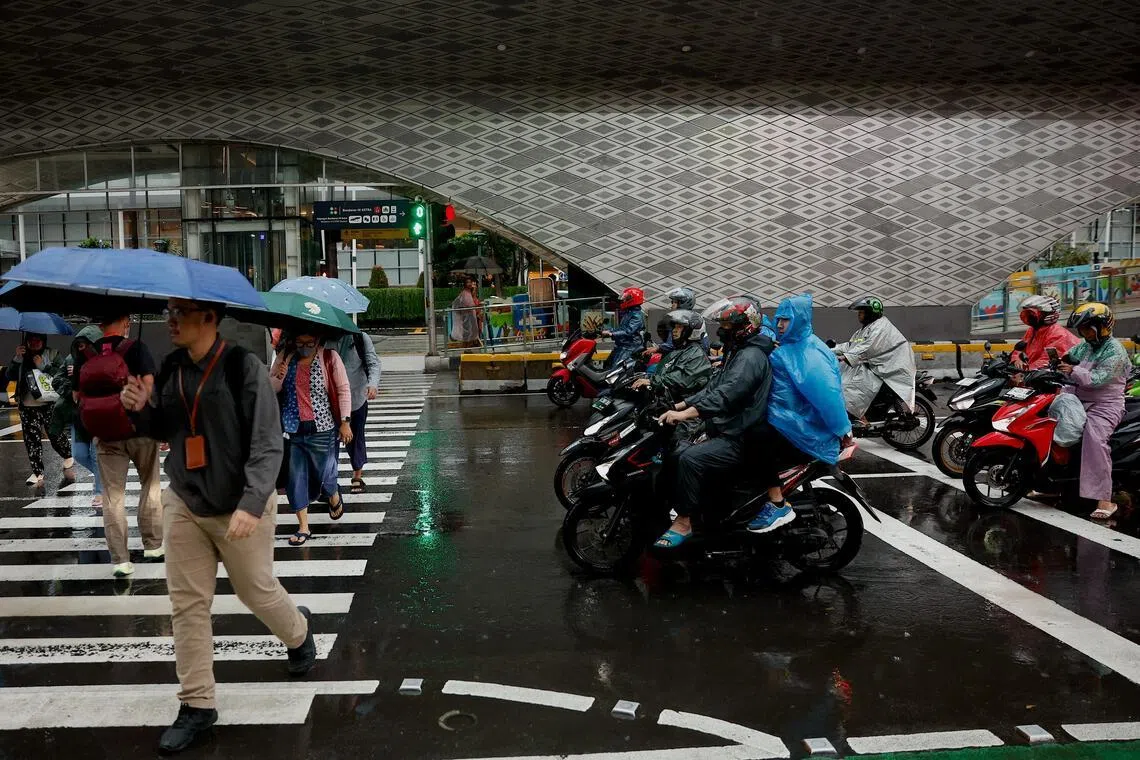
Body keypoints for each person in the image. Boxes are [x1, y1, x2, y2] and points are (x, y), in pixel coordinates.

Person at [120, 298, 315, 753]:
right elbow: (164, 429)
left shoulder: (242, 368)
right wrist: (140, 407)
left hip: (240, 505)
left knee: (256, 590)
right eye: (168, 312)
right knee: (187, 606)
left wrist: (252, 502)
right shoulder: (170, 368)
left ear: (209, 318)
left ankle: (299, 634)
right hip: (186, 500)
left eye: (180, 314)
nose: (171, 321)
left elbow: (268, 443)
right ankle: (198, 706)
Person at [654, 295, 775, 547]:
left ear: (745, 326)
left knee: (690, 459)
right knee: (679, 451)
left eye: (728, 326)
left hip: (740, 435)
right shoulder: (737, 352)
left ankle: (685, 523)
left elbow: (725, 395)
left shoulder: (750, 357)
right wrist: (679, 406)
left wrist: (686, 414)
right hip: (727, 427)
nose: (722, 330)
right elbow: (714, 386)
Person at [748, 294, 853, 533]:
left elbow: (828, 398)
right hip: (787, 420)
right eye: (779, 319)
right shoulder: (791, 346)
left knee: (755, 438)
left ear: (800, 320)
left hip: (800, 428)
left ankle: (776, 503)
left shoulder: (807, 353)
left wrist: (842, 430)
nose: (781, 324)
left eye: (787, 320)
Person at [76, 314, 163, 578]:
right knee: (151, 485)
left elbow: (77, 396)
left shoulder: (87, 353)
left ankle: (120, 560)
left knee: (113, 497)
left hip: (106, 436)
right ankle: (152, 546)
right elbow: (149, 387)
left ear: (100, 325)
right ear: (126, 321)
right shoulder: (136, 347)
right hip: (141, 432)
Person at [269, 330, 353, 545]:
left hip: (323, 428)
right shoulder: (285, 357)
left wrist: (345, 422)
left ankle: (332, 493)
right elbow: (272, 389)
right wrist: (280, 373)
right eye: (299, 342)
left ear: (318, 341)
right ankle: (303, 527)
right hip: (293, 429)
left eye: (309, 342)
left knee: (324, 475)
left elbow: (343, 390)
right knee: (295, 477)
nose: (304, 346)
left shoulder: (329, 358)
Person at [1058, 302, 1130, 520]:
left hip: (1105, 405)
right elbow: (1067, 358)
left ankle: (1105, 500)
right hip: (1078, 399)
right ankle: (1050, 484)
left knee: (1094, 438)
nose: (1085, 333)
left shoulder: (1115, 351)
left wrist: (1073, 370)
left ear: (1103, 327)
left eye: (1089, 328)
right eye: (1083, 329)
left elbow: (1096, 380)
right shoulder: (1085, 346)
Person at [832, 296, 916, 423]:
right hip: (878, 365)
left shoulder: (880, 328)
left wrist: (845, 357)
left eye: (861, 312)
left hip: (891, 367)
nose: (859, 315)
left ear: (871, 313)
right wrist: (830, 350)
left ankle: (859, 417)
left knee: (850, 387)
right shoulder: (867, 328)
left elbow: (867, 348)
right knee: (843, 377)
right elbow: (852, 345)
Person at [9, 332, 75, 490]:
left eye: (38, 339)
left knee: (55, 434)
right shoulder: (21, 354)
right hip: (27, 404)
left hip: (49, 402)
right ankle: (37, 472)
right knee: (32, 439)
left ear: (44, 340)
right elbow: (10, 375)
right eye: (31, 339)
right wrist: (17, 359)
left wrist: (44, 366)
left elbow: (63, 375)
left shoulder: (53, 354)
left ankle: (67, 454)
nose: (35, 342)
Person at [51, 325, 104, 507]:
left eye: (86, 345)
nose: (82, 349)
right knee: (79, 455)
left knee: (96, 455)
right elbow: (56, 380)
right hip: (78, 415)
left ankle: (100, 491)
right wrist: (71, 387)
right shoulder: (70, 360)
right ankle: (105, 477)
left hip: (99, 414)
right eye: (79, 346)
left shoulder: (106, 359)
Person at [323, 331, 381, 493]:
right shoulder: (321, 338)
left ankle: (357, 475)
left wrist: (373, 384)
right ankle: (329, 480)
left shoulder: (359, 338)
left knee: (355, 437)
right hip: (329, 400)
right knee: (328, 440)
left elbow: (373, 363)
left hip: (356, 397)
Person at [1012, 295, 1079, 371]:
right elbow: (1020, 348)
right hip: (1033, 372)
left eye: (1033, 314)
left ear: (1047, 314)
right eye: (1028, 314)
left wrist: (1026, 371)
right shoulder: (1033, 330)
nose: (1030, 317)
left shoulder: (1057, 334)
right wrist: (1016, 359)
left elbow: (1047, 361)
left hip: (1050, 375)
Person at [602, 287, 647, 367]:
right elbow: (622, 328)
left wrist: (611, 334)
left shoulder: (636, 315)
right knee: (607, 362)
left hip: (630, 345)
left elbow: (628, 331)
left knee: (616, 368)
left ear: (632, 300)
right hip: (622, 344)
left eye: (626, 298)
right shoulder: (629, 312)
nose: (623, 300)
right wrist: (609, 330)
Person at [449, 277, 483, 348]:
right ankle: (467, 348)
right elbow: (468, 305)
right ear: (465, 284)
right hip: (467, 318)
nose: (470, 284)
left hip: (470, 317)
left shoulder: (469, 292)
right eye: (468, 282)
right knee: (468, 334)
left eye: (470, 282)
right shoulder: (465, 293)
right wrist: (477, 305)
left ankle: (469, 347)